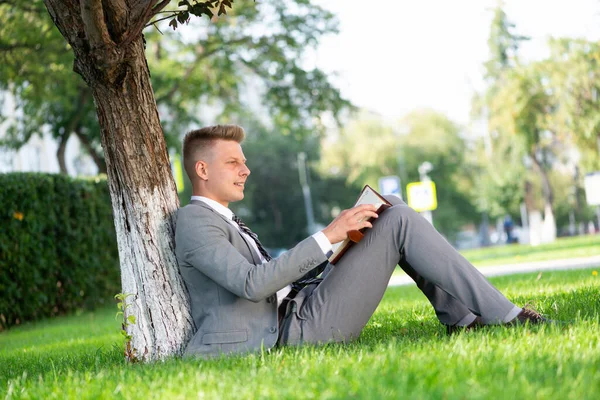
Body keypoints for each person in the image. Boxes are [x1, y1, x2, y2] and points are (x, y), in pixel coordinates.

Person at [175, 124, 547, 358]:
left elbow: (271, 278)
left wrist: (339, 246)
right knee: (398, 219)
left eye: (244, 161)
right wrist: (328, 236)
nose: (246, 170)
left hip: (302, 305)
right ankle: (507, 317)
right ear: (202, 170)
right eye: (233, 163)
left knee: (389, 208)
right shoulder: (195, 220)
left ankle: (463, 319)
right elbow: (251, 284)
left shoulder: (220, 218)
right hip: (292, 332)